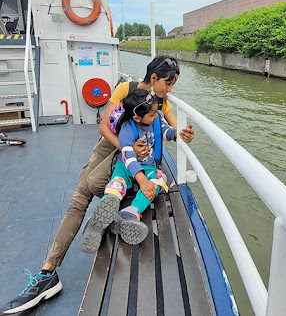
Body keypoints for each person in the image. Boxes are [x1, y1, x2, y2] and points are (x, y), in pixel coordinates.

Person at [0, 56, 195, 314]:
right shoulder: (126, 89)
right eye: (168, 83)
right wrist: (129, 149)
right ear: (154, 78)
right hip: (114, 145)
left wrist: (183, 133)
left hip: (131, 155)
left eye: (173, 85)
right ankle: (51, 269)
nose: (169, 90)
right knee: (83, 192)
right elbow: (104, 127)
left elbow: (171, 127)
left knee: (86, 190)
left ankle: (51, 268)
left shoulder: (160, 103)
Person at [81, 89, 176, 252]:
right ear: (137, 118)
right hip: (126, 166)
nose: (156, 115)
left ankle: (131, 212)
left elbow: (167, 131)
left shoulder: (156, 119)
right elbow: (128, 156)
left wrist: (179, 134)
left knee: (159, 179)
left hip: (148, 167)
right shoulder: (127, 129)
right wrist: (142, 180)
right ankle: (111, 203)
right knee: (118, 181)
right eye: (152, 114)